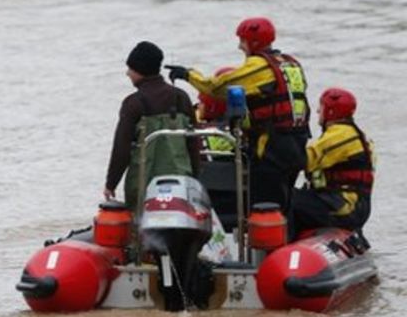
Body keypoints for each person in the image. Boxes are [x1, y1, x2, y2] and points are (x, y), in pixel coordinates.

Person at [168, 17, 310, 214]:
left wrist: (188, 74)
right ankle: (285, 234)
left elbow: (217, 87)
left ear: (253, 42)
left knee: (263, 203)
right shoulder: (290, 64)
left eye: (242, 41)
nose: (239, 47)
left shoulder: (260, 66)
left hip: (272, 146)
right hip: (297, 143)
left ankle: (265, 242)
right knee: (283, 199)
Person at [104, 41, 199, 210]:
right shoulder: (181, 97)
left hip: (143, 185)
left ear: (140, 70)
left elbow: (121, 149)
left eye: (130, 69)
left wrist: (111, 184)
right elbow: (194, 143)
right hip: (181, 182)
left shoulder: (133, 103)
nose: (127, 73)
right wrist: (196, 178)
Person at [290, 88, 374, 234]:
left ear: (330, 112)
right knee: (299, 197)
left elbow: (305, 160)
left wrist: (278, 154)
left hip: (344, 206)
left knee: (285, 198)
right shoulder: (353, 133)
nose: (317, 111)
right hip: (350, 204)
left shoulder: (340, 135)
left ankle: (280, 247)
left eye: (321, 107)